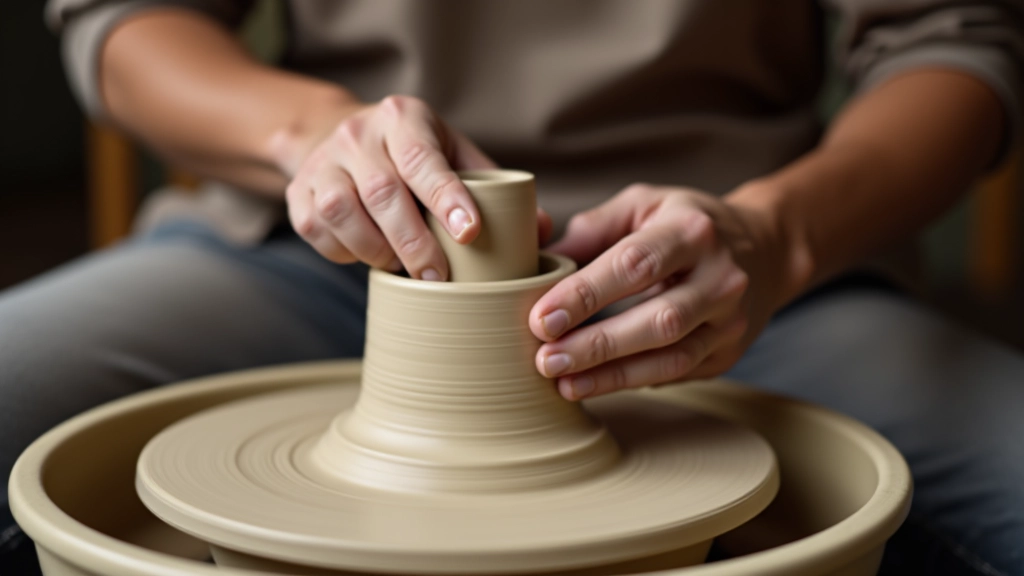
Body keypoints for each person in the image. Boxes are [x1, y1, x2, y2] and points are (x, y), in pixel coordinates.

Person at [3, 1, 1022, 574]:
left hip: (721, 277)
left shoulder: (750, 255)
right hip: (317, 239)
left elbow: (954, 43)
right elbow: (125, 21)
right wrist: (305, 133)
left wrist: (780, 232)